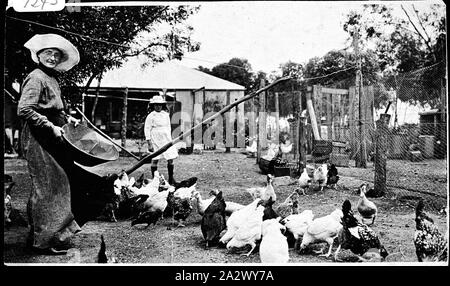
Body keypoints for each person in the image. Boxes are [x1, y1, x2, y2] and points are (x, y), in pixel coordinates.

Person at [18, 34, 84, 255]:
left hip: (53, 135)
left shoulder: (52, 79)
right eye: (48, 53)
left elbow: (56, 108)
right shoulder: (35, 77)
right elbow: (25, 109)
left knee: (52, 184)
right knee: (48, 186)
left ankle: (41, 235)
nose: (53, 57)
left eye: (56, 55)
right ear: (39, 55)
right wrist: (50, 125)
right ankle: (43, 242)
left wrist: (67, 119)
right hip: (38, 136)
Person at [144, 94, 179, 184]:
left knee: (170, 158)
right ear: (153, 105)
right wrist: (149, 143)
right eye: (156, 105)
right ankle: (155, 180)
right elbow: (147, 129)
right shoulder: (151, 116)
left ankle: (171, 178)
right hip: (155, 139)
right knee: (155, 159)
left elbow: (168, 127)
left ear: (162, 105)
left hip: (166, 138)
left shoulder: (166, 115)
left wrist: (170, 139)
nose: (158, 106)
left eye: (160, 105)